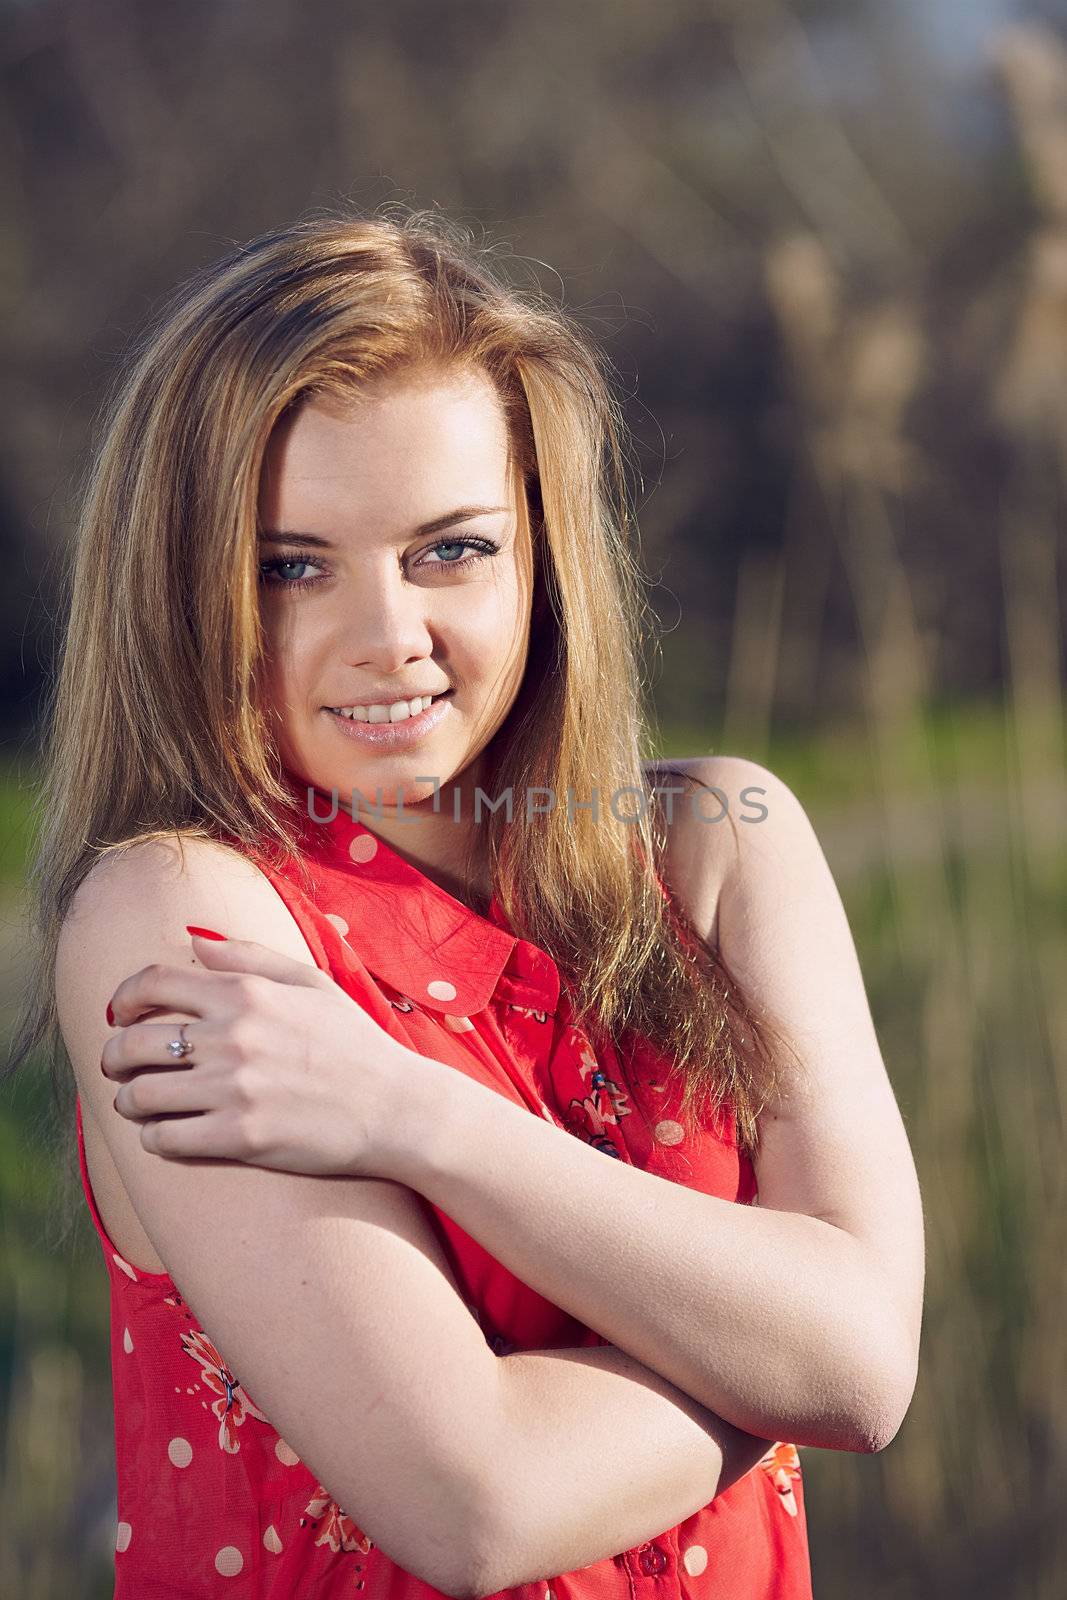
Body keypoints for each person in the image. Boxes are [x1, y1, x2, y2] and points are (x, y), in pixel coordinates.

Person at [14, 207, 923, 1596]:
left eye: (451, 550)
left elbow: (865, 1368)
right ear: (183, 583)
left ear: (542, 551)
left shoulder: (719, 848)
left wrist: (414, 1116)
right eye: (291, 566)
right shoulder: (184, 914)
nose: (389, 637)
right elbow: (474, 1504)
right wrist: (779, 1350)